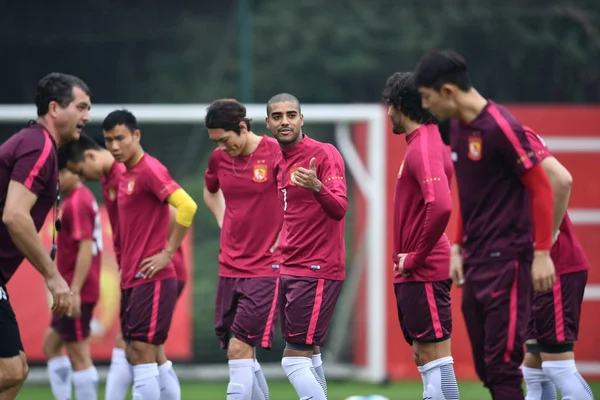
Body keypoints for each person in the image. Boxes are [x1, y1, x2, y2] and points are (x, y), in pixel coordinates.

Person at [414, 49, 556, 400]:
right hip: (475, 263)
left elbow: (542, 188)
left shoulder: (502, 127)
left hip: (508, 262)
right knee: (486, 369)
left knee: (503, 366)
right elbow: (473, 193)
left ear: (447, 92)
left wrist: (541, 253)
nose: (426, 107)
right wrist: (459, 246)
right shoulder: (458, 128)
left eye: (427, 98)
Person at [0, 72, 90, 398]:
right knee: (10, 370)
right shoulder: (38, 144)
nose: (87, 116)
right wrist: (53, 277)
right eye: (81, 107)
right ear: (54, 108)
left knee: (17, 370)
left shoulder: (40, 147)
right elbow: (14, 214)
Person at [102, 109, 197, 400]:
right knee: (145, 352)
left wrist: (168, 253)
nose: (115, 146)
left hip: (151, 279)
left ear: (136, 135)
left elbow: (187, 206)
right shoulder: (125, 175)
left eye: (120, 138)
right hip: (133, 278)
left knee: (142, 351)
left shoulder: (149, 169)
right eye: (109, 140)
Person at [382, 72, 459, 400]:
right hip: (417, 271)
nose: (387, 114)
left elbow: (441, 206)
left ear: (401, 106)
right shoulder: (423, 142)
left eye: (389, 106)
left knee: (434, 357)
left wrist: (414, 257)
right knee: (423, 356)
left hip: (423, 269)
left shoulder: (424, 146)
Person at [267, 93, 346, 400]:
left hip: (316, 268)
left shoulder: (324, 154)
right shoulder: (278, 160)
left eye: (290, 115)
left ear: (301, 119)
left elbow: (339, 208)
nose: (284, 121)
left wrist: (317, 187)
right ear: (269, 124)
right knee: (309, 354)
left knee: (292, 359)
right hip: (289, 266)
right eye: (277, 117)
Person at [203, 99, 283, 400]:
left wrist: (287, 234)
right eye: (216, 142)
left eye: (225, 140)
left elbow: (299, 200)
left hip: (267, 266)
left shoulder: (276, 153)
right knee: (240, 353)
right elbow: (210, 193)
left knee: (239, 347)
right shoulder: (218, 158)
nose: (222, 147)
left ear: (243, 127)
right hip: (230, 265)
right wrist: (226, 222)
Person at [521, 129, 594, 400]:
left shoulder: (507, 134)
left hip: (555, 267)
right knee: (534, 366)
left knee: (558, 366)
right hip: (534, 270)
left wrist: (546, 241)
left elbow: (563, 179)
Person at [43, 162, 102, 400]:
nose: (54, 179)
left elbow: (86, 248)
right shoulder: (76, 199)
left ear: (72, 172)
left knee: (79, 355)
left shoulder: (77, 202)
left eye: (58, 174)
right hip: (70, 289)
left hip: (76, 291)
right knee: (51, 346)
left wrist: (75, 291)